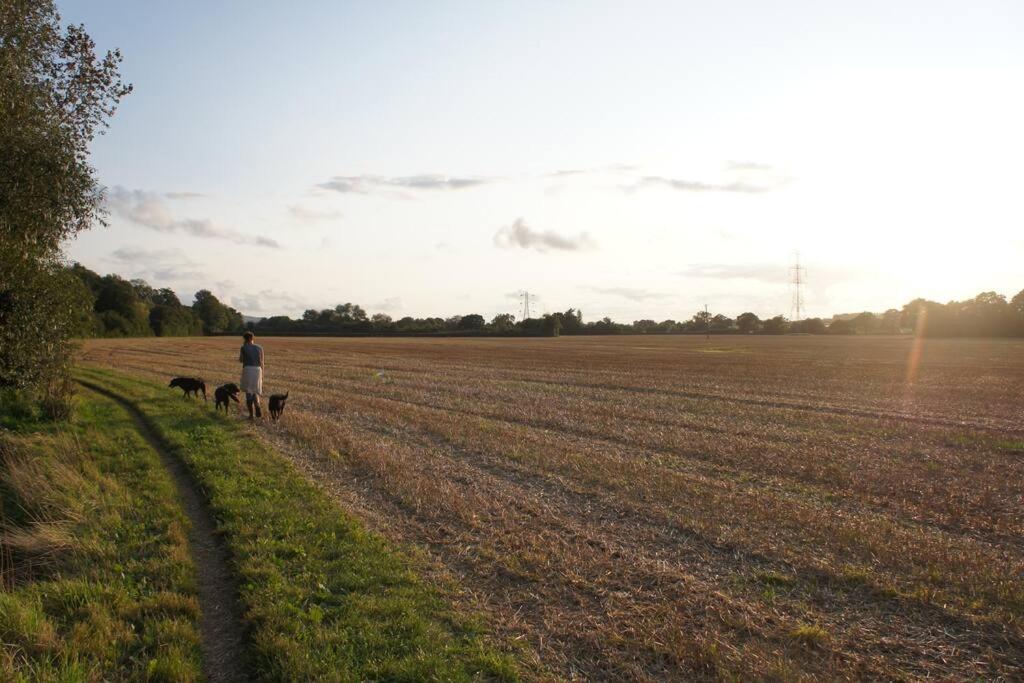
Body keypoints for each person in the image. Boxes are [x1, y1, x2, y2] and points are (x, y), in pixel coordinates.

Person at [238, 331, 264, 419]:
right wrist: (262, 373)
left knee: (249, 392)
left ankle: (251, 415)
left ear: (244, 338)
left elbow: (241, 360)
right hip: (258, 370)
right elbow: (262, 362)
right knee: (255, 390)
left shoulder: (243, 347)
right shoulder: (259, 347)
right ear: (253, 338)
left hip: (248, 369)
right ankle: (257, 406)